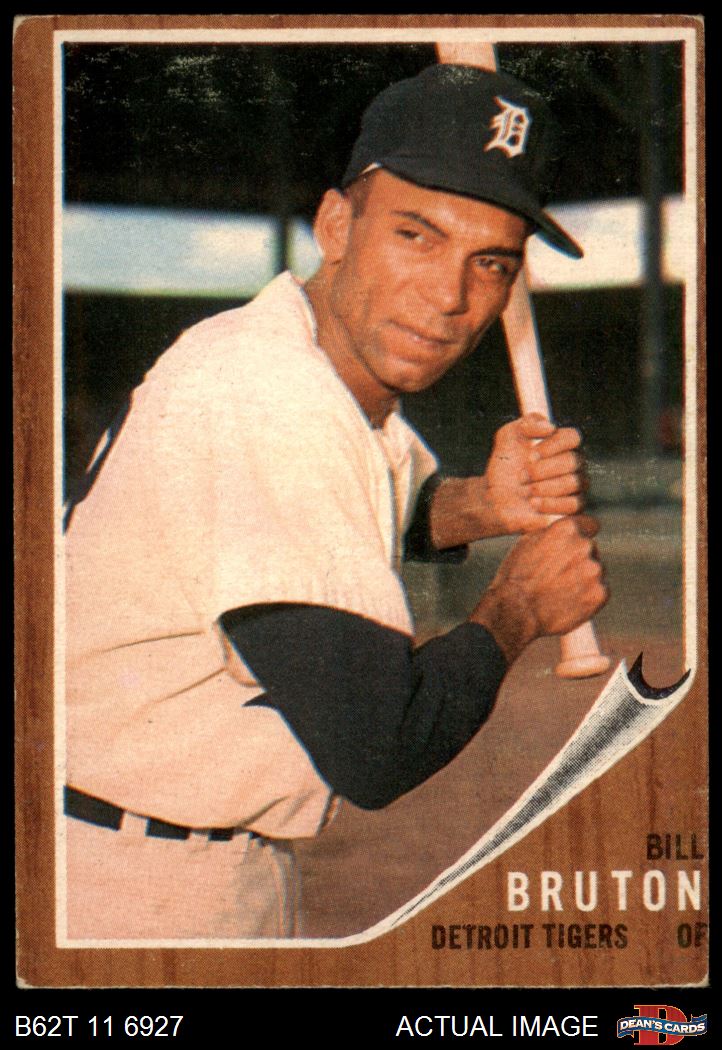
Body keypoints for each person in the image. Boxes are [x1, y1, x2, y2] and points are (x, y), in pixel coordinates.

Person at [63, 63, 607, 940]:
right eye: (417, 236)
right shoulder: (271, 394)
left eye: (490, 262)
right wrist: (519, 606)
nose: (449, 296)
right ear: (336, 226)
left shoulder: (295, 361)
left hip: (163, 853)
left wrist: (481, 505)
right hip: (127, 883)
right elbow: (379, 746)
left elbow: (371, 512)